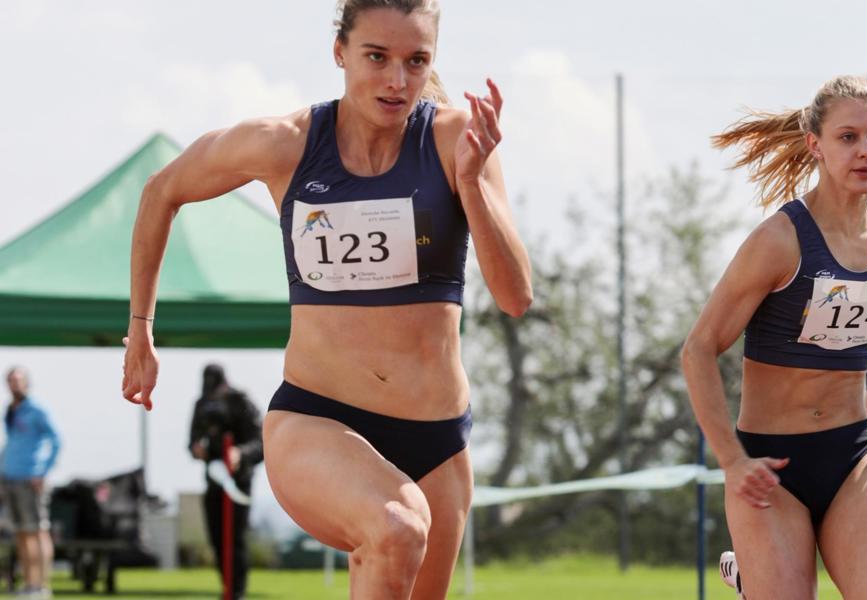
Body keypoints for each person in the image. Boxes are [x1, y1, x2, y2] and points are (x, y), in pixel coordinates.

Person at [122, 1, 532, 597]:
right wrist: (140, 328)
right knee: (397, 525)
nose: (397, 80)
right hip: (317, 419)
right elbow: (162, 191)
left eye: (416, 61)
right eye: (377, 57)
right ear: (339, 51)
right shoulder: (285, 143)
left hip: (436, 437)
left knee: (400, 539)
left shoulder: (454, 139)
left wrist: (470, 183)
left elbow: (516, 296)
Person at [681, 75, 867, 599]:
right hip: (770, 464)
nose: (865, 151)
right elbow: (699, 349)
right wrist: (733, 461)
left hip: (852, 455)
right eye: (848, 137)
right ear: (816, 145)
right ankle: (751, 571)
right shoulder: (779, 242)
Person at [188, 364, 263, 600]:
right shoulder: (201, 405)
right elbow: (191, 440)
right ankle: (226, 586)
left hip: (239, 481)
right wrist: (196, 448)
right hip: (213, 480)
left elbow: (260, 444)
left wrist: (240, 454)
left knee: (235, 537)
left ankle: (236, 591)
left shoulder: (241, 403)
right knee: (217, 537)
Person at [2, 367, 61, 599]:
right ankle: (28, 583)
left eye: (18, 381)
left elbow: (56, 441)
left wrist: (42, 472)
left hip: (30, 480)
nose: (14, 385)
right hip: (10, 479)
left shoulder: (37, 410)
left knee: (37, 531)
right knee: (20, 533)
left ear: (27, 383)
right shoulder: (10, 411)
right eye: (10, 381)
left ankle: (41, 586)